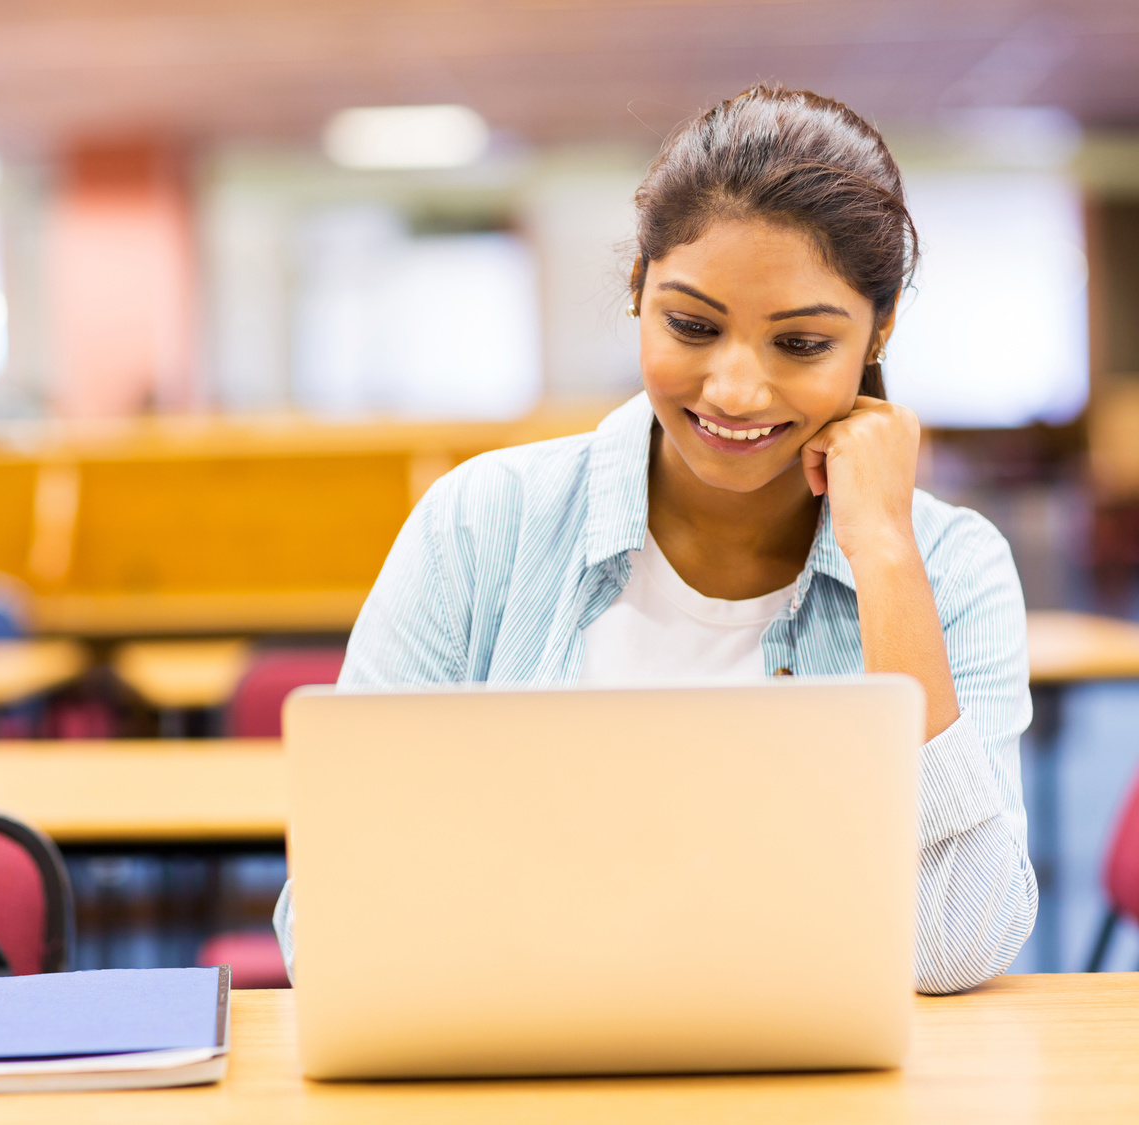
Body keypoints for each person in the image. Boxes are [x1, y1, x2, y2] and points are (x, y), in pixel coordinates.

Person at [276, 84, 1035, 995]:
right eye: (692, 326)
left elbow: (956, 943)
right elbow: (330, 916)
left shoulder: (951, 566)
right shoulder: (482, 522)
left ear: (880, 330)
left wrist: (882, 552)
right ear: (638, 288)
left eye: (799, 344)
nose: (735, 390)